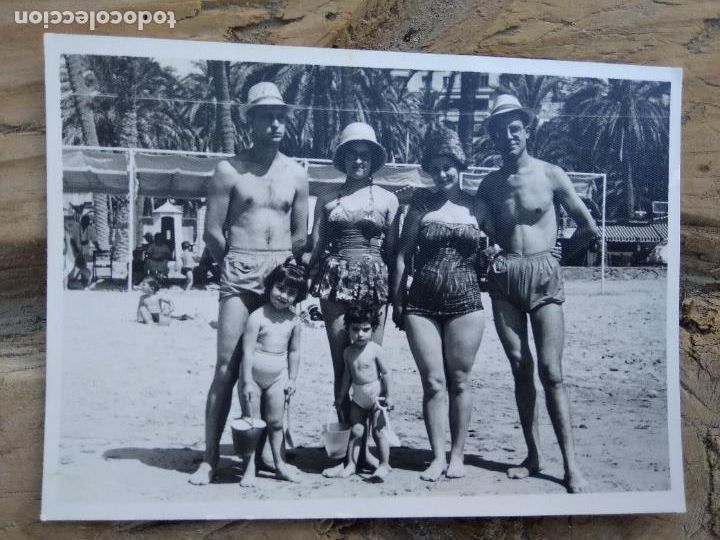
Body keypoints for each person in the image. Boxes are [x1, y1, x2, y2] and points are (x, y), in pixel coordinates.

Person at [475, 94, 601, 493]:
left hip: (545, 275)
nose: (508, 135)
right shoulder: (490, 184)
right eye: (501, 130)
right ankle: (533, 455)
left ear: (526, 130)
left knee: (552, 372)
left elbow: (588, 225)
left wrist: (564, 252)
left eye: (515, 128)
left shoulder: (550, 174)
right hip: (505, 278)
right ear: (493, 136)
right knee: (520, 367)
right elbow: (480, 230)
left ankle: (571, 466)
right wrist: (489, 250)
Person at [189, 82, 309, 485]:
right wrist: (235, 267)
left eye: (281, 116)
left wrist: (282, 273)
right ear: (251, 120)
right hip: (239, 270)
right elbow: (212, 233)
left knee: (277, 366)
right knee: (227, 365)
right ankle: (209, 458)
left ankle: (274, 456)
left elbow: (299, 235)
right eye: (267, 116)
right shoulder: (229, 170)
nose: (276, 124)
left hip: (280, 273)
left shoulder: (297, 172)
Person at [391, 125, 487, 481]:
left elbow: (506, 238)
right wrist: (396, 300)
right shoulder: (419, 205)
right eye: (435, 167)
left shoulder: (477, 205)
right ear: (429, 170)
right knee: (433, 382)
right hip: (421, 305)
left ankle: (457, 456)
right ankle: (436, 456)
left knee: (460, 380)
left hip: (466, 303)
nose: (443, 173)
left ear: (459, 165)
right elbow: (402, 255)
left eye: (448, 166)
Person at [308, 122, 399, 476]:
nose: (358, 160)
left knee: (369, 371)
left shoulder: (389, 200)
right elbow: (315, 248)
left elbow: (392, 255)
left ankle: (371, 454)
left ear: (374, 159)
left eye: (365, 155)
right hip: (335, 282)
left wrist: (396, 296)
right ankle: (348, 452)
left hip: (374, 282)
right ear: (342, 157)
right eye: (352, 154)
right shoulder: (328, 197)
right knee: (342, 367)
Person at [239, 261, 306, 487]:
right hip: (253, 378)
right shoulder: (257, 316)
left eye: (291, 292)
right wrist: (247, 381)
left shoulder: (294, 320)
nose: (284, 296)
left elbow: (294, 352)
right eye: (280, 288)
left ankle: (280, 466)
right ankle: (249, 468)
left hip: (278, 377)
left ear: (297, 296)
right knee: (252, 424)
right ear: (269, 287)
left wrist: (292, 379)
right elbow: (247, 352)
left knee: (276, 423)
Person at [323, 303, 393, 481]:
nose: (360, 334)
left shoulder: (375, 350)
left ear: (372, 329)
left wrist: (389, 395)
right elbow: (347, 376)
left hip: (376, 396)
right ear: (348, 329)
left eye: (365, 329)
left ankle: (384, 464)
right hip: (358, 397)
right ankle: (351, 464)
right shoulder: (348, 352)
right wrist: (340, 397)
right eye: (355, 329)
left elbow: (386, 373)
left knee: (379, 431)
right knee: (356, 431)